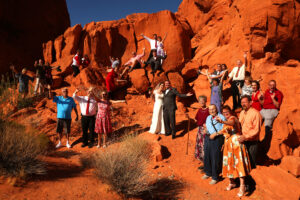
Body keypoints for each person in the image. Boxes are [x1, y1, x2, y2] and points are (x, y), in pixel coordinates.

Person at [216, 105, 251, 197]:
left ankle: (242, 186)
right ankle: (232, 182)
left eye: (227, 111)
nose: (225, 113)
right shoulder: (225, 123)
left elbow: (231, 123)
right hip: (228, 145)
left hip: (236, 145)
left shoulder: (233, 118)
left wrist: (222, 121)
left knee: (239, 164)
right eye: (223, 112)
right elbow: (223, 131)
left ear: (230, 111)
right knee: (229, 164)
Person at [202, 104, 226, 184]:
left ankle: (215, 177)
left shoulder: (221, 117)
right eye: (210, 109)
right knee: (207, 155)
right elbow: (208, 126)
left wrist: (215, 134)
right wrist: (205, 130)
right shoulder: (208, 117)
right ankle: (208, 172)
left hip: (217, 139)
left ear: (217, 109)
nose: (212, 111)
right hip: (208, 138)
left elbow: (224, 129)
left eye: (213, 109)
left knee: (215, 157)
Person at [260, 80, 283, 157]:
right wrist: (260, 99)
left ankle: (266, 139)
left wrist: (273, 99)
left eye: (273, 85)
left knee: (268, 118)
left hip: (273, 110)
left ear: (275, 85)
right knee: (256, 116)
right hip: (264, 110)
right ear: (268, 85)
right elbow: (263, 103)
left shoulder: (278, 93)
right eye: (270, 85)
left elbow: (277, 106)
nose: (272, 86)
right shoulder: (266, 91)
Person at [238, 95, 262, 169]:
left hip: (252, 143)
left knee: (250, 164)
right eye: (242, 102)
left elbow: (256, 130)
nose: (243, 104)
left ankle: (251, 180)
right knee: (243, 163)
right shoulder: (242, 112)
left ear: (251, 102)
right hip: (242, 141)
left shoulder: (256, 113)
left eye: (245, 102)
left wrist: (245, 137)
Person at [194, 95, 209, 163]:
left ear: (205, 101)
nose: (201, 102)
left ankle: (205, 158)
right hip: (200, 129)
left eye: (203, 101)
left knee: (204, 143)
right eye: (200, 101)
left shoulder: (208, 110)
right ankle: (200, 157)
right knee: (199, 143)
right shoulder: (199, 110)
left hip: (206, 129)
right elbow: (196, 119)